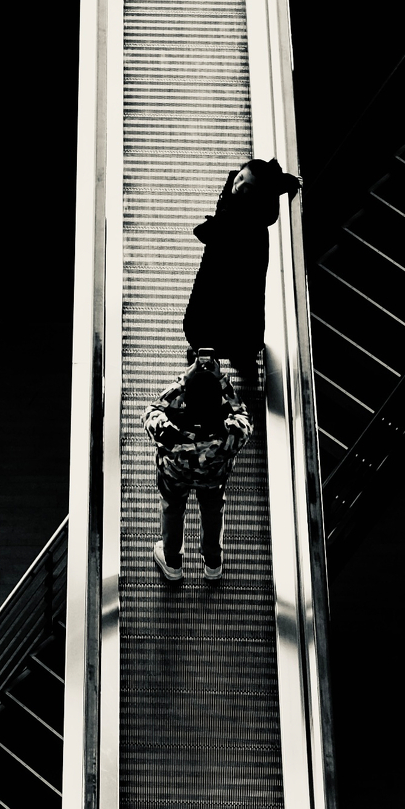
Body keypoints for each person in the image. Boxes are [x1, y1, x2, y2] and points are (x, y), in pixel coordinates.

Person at [182, 158, 299, 383]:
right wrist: (289, 182)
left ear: (257, 194)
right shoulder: (247, 195)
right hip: (229, 263)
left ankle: (219, 353)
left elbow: (215, 233)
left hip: (238, 266)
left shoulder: (249, 215)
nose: (238, 186)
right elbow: (273, 183)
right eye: (240, 178)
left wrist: (214, 225)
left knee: (234, 308)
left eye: (248, 188)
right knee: (226, 312)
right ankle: (229, 355)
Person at [145, 347, 251, 583]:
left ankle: (172, 562)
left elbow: (152, 409)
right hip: (213, 479)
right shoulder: (231, 433)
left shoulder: (168, 429)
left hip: (173, 476)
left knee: (172, 509)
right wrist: (223, 382)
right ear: (217, 402)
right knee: (212, 511)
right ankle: (212, 563)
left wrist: (184, 380)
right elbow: (242, 413)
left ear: (187, 399)